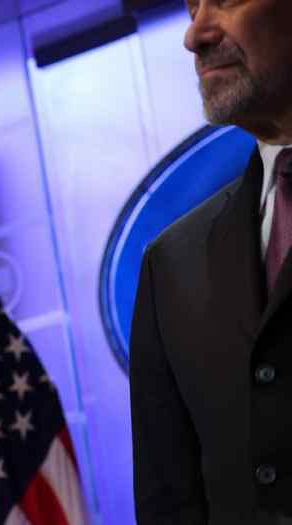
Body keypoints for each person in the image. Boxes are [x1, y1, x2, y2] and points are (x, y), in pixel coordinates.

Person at [130, 1, 292, 523]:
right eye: (190, 6)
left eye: (225, 1)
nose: (194, 35)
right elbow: (169, 502)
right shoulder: (170, 265)